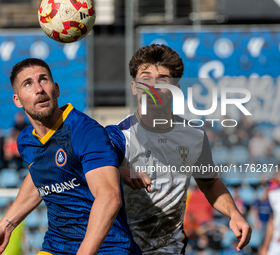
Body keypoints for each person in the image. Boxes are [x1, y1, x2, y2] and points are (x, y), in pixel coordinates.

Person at [0, 58, 141, 255]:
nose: (39, 89)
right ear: (17, 100)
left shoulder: (84, 130)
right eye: (28, 84)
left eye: (44, 80)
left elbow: (110, 196)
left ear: (56, 89)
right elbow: (41, 175)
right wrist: (6, 226)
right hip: (56, 246)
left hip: (106, 247)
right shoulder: (26, 141)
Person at [105, 44, 252, 254]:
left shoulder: (194, 136)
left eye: (163, 79)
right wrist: (118, 171)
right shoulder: (116, 136)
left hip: (170, 249)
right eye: (145, 77)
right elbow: (85, 175)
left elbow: (210, 184)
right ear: (135, 86)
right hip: (122, 248)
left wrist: (234, 214)